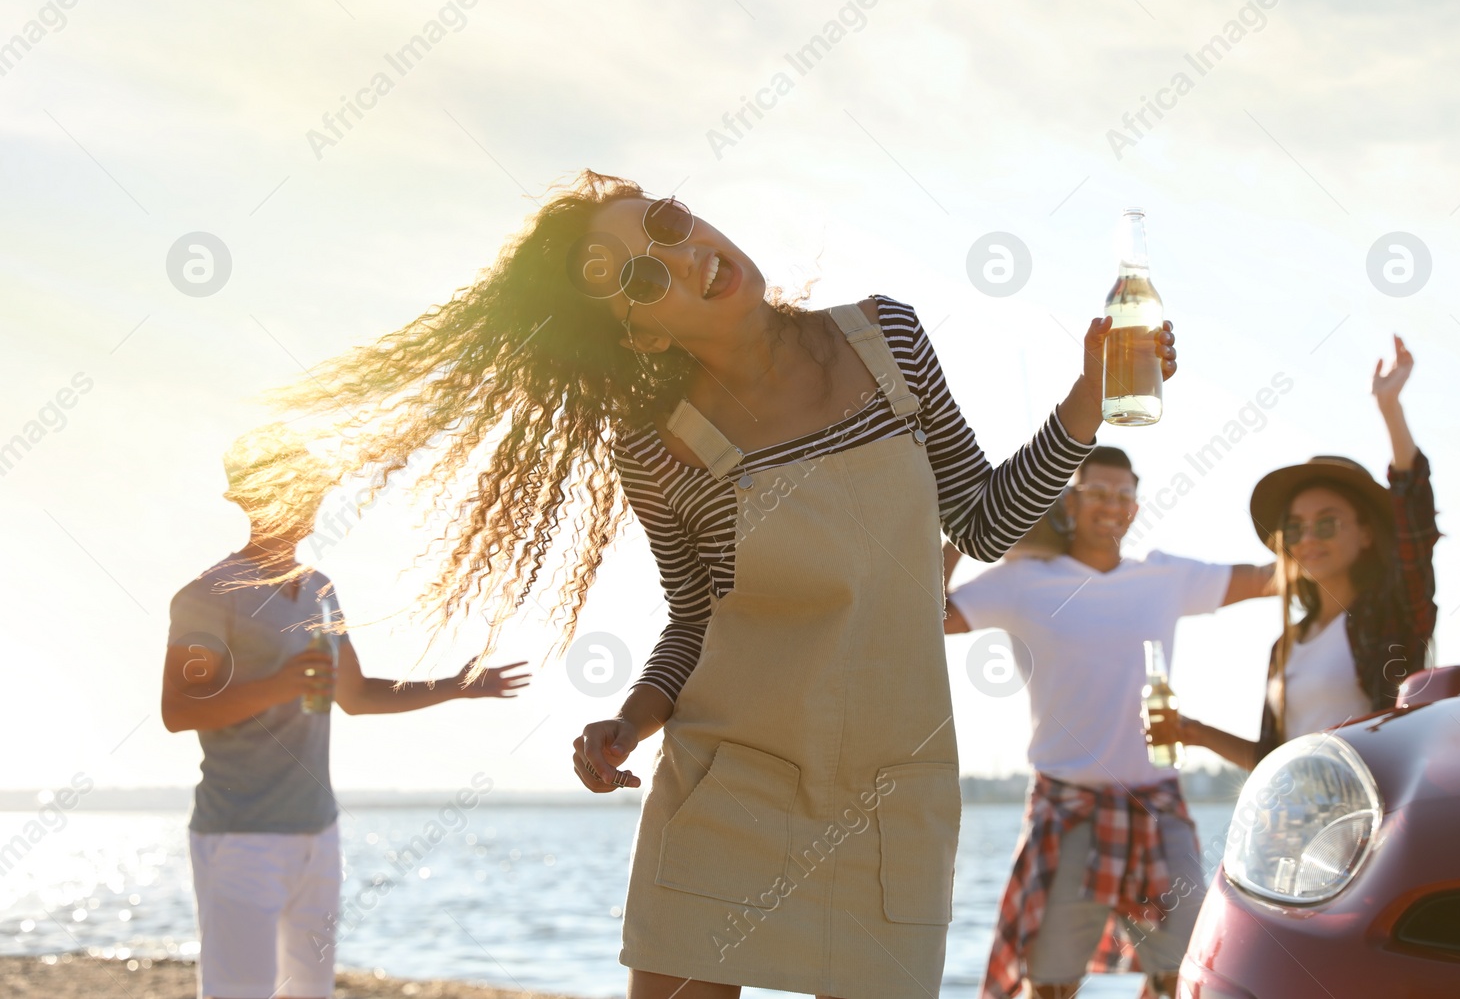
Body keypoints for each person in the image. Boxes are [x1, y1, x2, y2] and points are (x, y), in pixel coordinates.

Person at [222, 170, 1178, 999]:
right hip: (729, 784)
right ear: (636, 333)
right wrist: (631, 720)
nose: (689, 259)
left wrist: (1089, 396)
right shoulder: (658, 448)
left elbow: (976, 518)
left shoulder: (889, 338)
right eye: (645, 276)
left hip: (893, 793)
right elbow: (695, 614)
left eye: (669, 226)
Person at [161, 431, 529, 999]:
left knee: (310, 992)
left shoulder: (320, 590)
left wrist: (456, 685)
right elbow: (179, 709)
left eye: (314, 487)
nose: (312, 498)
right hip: (239, 838)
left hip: (318, 831)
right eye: (297, 487)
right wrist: (279, 683)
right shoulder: (207, 596)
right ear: (254, 497)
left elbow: (355, 696)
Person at [943, 446, 1275, 999]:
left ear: (1135, 508)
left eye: (1123, 494)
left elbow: (1273, 578)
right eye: (1096, 491)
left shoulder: (1164, 578)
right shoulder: (1024, 580)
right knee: (1051, 981)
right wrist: (973, 534)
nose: (1111, 504)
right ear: (1068, 502)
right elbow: (926, 610)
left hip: (1156, 802)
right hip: (1067, 805)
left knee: (1185, 969)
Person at [1181, 334, 1439, 769]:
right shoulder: (1286, 645)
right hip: (1295, 833)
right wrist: (1195, 733)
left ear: (1367, 534)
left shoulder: (1391, 614)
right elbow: (1273, 761)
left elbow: (1415, 524)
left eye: (1326, 523)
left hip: (1368, 828)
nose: (1308, 539)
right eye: (1295, 528)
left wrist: (1389, 409)